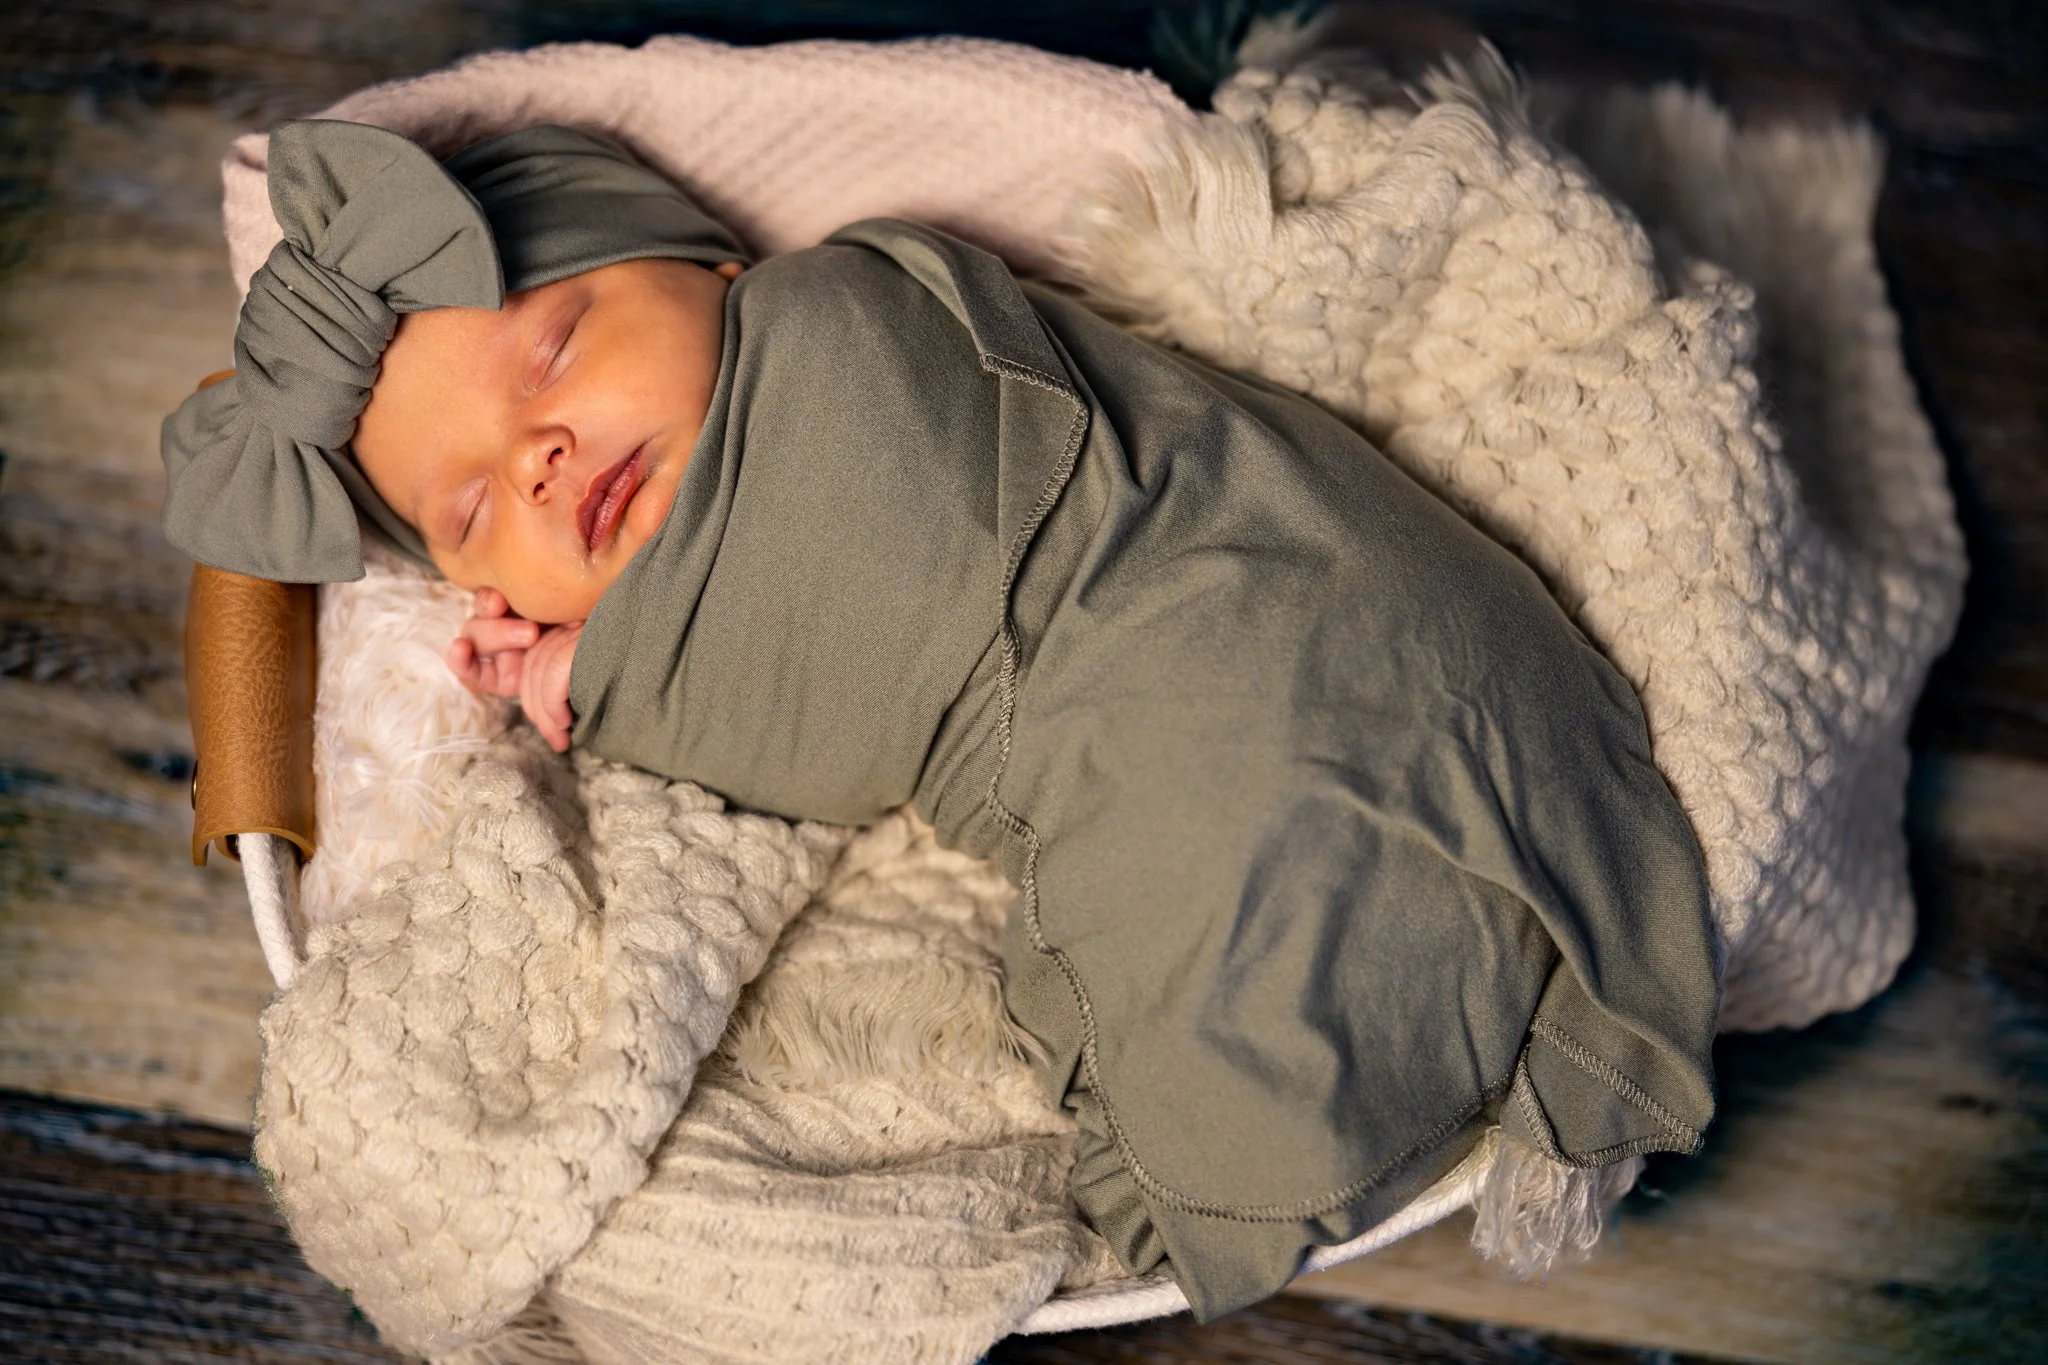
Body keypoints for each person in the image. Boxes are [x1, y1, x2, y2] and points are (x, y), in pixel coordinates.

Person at [162, 118, 1719, 1321]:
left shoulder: (852, 325)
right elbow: (846, 700)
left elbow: (864, 660)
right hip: (1179, 730)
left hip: (1223, 602)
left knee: (1238, 824)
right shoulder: (673, 566)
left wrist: (616, 683)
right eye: (474, 508)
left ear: (714, 270)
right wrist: (603, 667)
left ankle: (1302, 1107)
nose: (542, 457)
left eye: (554, 351)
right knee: (1161, 901)